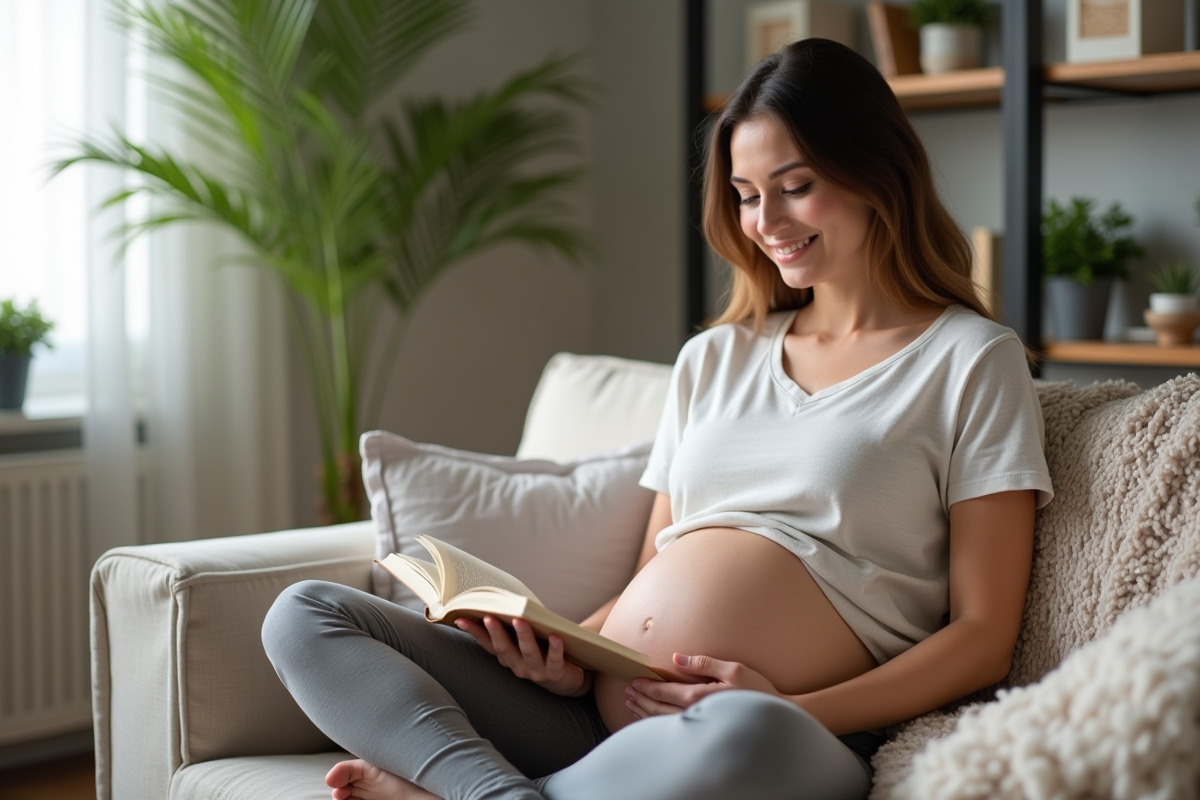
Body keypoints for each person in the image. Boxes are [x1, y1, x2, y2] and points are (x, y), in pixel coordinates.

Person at [262, 38, 1053, 800]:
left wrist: (789, 708)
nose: (766, 220)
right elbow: (654, 569)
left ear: (876, 169)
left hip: (782, 731)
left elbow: (982, 636)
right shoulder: (714, 358)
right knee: (305, 615)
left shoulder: (972, 361)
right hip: (593, 713)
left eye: (795, 185)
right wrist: (566, 655)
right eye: (745, 196)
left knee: (744, 737)